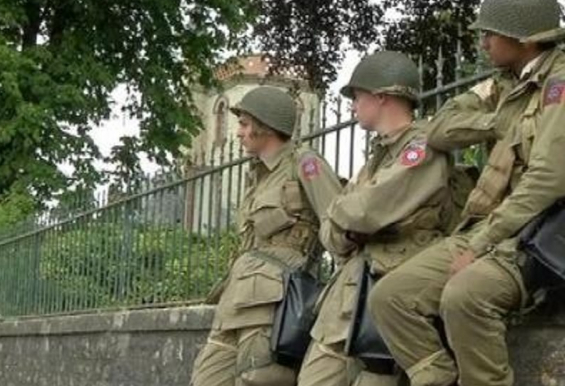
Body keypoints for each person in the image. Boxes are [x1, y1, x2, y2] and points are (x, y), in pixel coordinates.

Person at [368, 0, 565, 385]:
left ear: (523, 38)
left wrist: (479, 245)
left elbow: (547, 180)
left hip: (538, 233)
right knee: (391, 298)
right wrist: (495, 121)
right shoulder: (504, 85)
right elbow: (439, 128)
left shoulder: (557, 87)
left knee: (465, 296)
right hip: (492, 228)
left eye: (490, 33)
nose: (483, 43)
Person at [296, 51, 453, 386]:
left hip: (390, 284)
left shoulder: (422, 148)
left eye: (357, 96)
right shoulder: (376, 160)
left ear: (381, 96)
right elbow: (332, 230)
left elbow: (364, 210)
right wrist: (347, 223)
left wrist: (349, 218)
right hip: (348, 295)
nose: (352, 106)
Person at [190, 86, 344, 386]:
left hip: (275, 302)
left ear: (266, 126)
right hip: (236, 298)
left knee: (260, 379)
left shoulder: (305, 163)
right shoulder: (257, 175)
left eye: (245, 124)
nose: (239, 133)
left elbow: (337, 221)